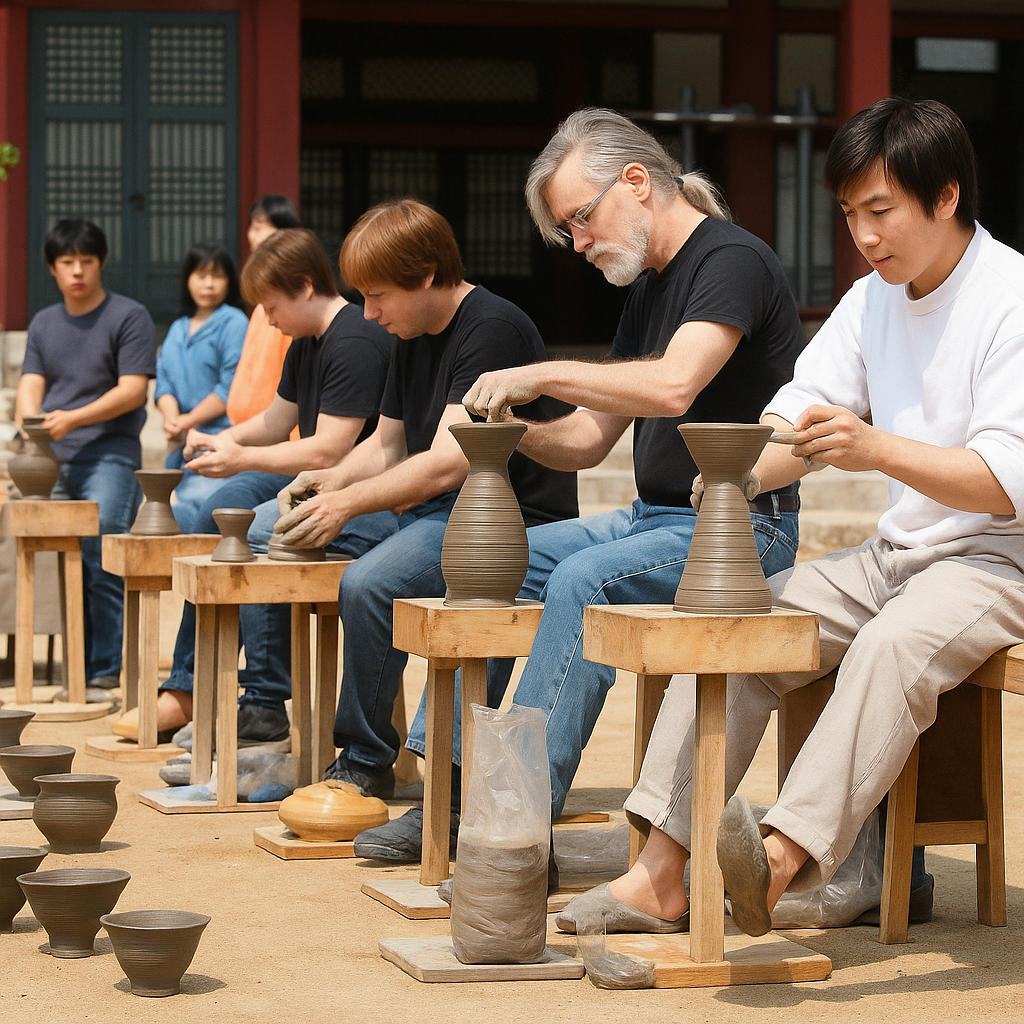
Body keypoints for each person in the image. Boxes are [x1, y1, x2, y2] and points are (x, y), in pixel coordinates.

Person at [557, 96, 1024, 938]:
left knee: (891, 647)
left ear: (946, 196)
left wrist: (874, 449)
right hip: (897, 553)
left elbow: (1002, 482)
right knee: (747, 620)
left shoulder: (1011, 297)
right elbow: (794, 417)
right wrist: (733, 472)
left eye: (879, 211)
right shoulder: (872, 298)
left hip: (997, 559)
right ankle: (660, 873)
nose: (865, 236)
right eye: (850, 216)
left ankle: (773, 862)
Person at [350, 111, 806, 864]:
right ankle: (456, 782)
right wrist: (510, 431)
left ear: (636, 182)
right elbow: (587, 442)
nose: (579, 243)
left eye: (580, 220)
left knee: (583, 578)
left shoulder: (732, 260)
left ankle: (517, 820)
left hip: (740, 529)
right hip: (649, 520)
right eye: (569, 230)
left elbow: (672, 386)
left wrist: (541, 373)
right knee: (488, 562)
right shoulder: (649, 292)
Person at [273, 198, 578, 824]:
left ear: (429, 275)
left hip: (501, 522)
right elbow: (386, 444)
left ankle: (363, 760)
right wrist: (327, 481)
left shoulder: (490, 327)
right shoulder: (407, 331)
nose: (369, 312)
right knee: (264, 527)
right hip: (437, 509)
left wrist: (347, 503)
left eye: (379, 294)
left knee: (369, 581)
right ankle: (260, 713)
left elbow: (447, 462)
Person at [113, 227, 393, 743]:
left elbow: (329, 448)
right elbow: (273, 421)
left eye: (270, 306)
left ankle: (263, 697)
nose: (266, 319)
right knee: (221, 508)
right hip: (315, 482)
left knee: (252, 531)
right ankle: (191, 684)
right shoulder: (306, 342)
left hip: (363, 493)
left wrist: (239, 456)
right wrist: (213, 440)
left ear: (306, 286)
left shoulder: (355, 337)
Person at [15, 219, 156, 697]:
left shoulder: (128, 315)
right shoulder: (43, 322)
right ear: (52, 268)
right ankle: (73, 669)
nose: (77, 271)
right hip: (53, 458)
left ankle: (101, 671)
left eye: (86, 261)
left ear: (101, 263)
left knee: (102, 557)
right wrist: (29, 423)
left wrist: (71, 419)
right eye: (67, 262)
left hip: (109, 455)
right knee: (57, 561)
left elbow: (134, 391)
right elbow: (31, 385)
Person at [156, 240, 248, 530]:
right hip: (180, 447)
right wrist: (172, 419)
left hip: (219, 442)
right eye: (201, 275)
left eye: (217, 276)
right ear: (187, 279)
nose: (208, 284)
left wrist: (187, 421)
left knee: (188, 516)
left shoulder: (233, 322)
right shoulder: (178, 327)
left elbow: (229, 387)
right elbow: (164, 383)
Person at [225, 195, 303, 428]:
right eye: (252, 228)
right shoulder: (262, 304)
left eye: (261, 229)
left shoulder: (293, 302)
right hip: (248, 429)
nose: (254, 236)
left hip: (276, 432)